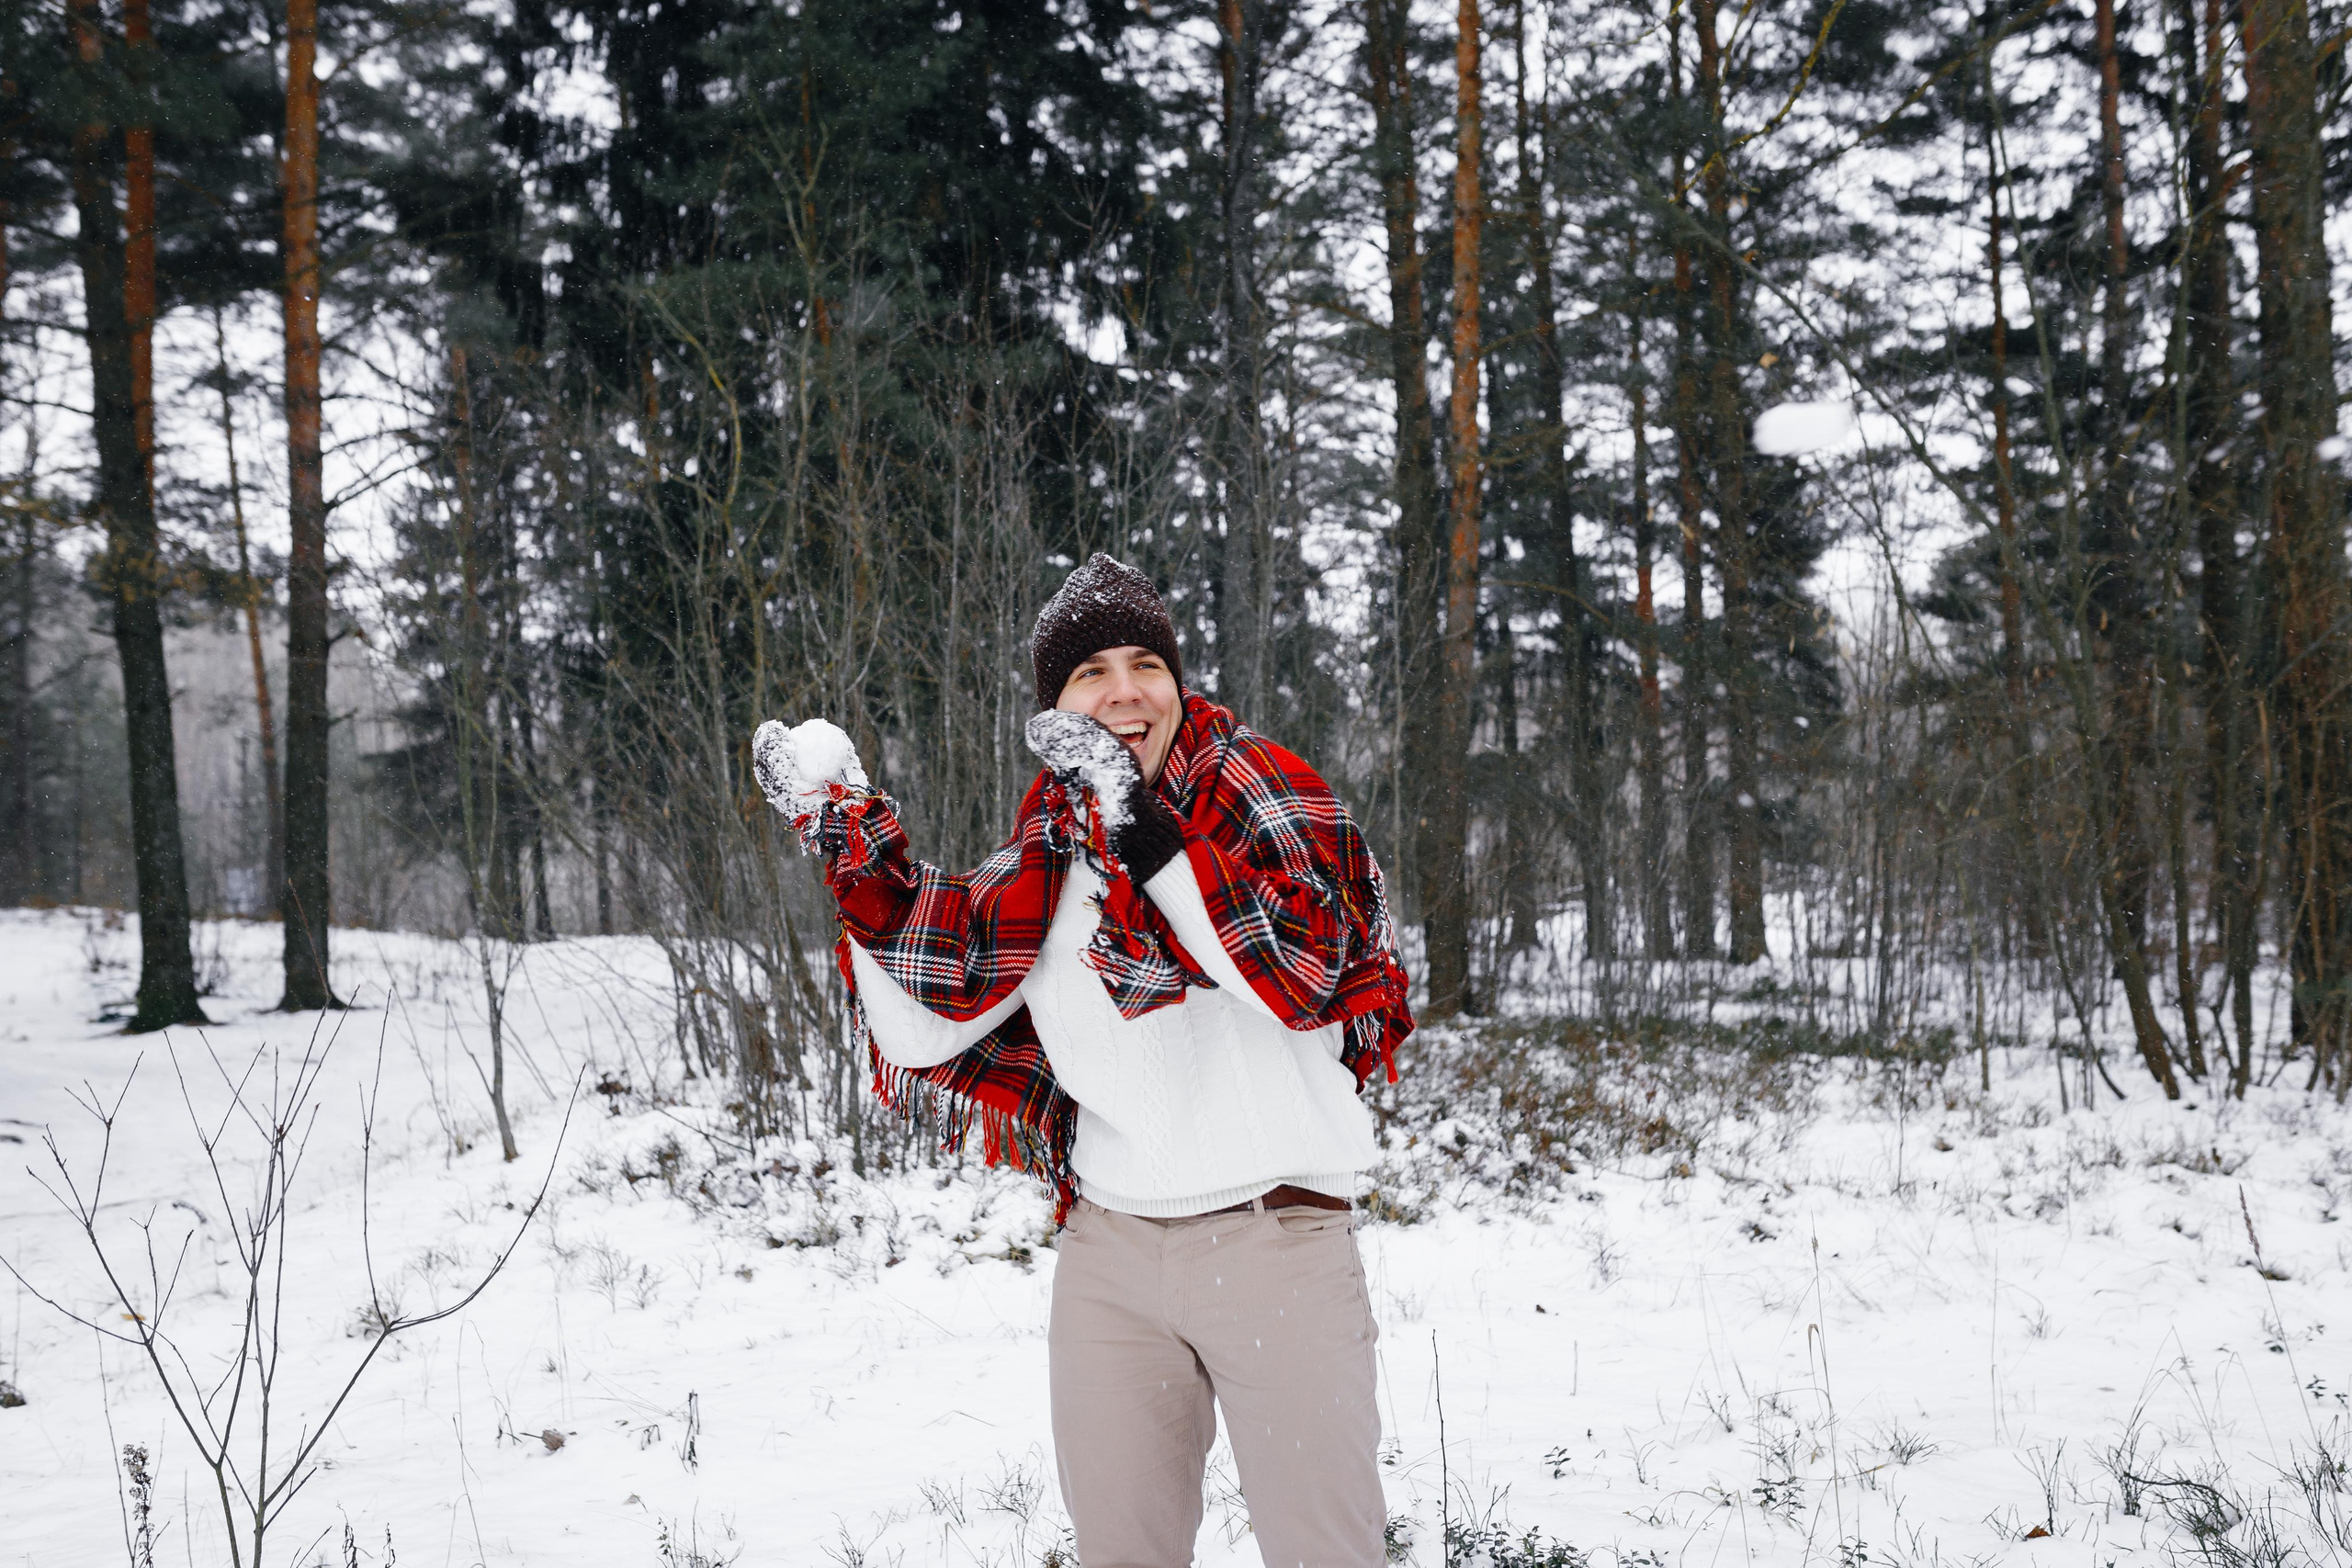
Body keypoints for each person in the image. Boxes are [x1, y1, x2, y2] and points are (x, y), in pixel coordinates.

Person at [753, 552, 1414, 1567]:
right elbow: (926, 1028)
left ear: (1177, 682)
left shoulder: (1265, 797)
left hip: (1274, 1238)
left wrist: (1145, 833)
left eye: (1144, 662)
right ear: (1052, 706)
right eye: (1088, 673)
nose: (1123, 691)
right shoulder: (1047, 850)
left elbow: (1302, 984)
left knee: (1326, 1555)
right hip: (1110, 1257)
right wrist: (846, 843)